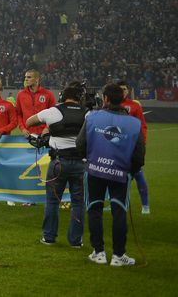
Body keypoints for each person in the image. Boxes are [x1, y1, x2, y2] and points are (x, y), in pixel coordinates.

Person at [77, 84, 145, 266]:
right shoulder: (134, 123)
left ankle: (98, 253)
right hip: (120, 173)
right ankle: (118, 256)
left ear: (105, 98)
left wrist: (89, 159)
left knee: (94, 208)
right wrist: (131, 170)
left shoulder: (92, 117)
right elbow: (139, 154)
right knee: (119, 211)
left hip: (95, 171)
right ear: (122, 99)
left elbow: (80, 143)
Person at [26, 82, 87, 248]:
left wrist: (50, 127)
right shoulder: (88, 114)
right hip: (81, 163)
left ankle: (49, 237)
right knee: (78, 203)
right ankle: (76, 240)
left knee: (52, 201)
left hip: (58, 162)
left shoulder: (53, 111)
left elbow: (30, 122)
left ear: (62, 96)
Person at [117, 81, 149, 214]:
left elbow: (142, 126)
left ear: (128, 91)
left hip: (133, 146)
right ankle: (120, 203)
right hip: (117, 146)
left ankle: (145, 205)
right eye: (119, 89)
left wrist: (142, 143)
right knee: (117, 176)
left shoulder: (134, 106)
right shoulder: (110, 105)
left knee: (137, 173)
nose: (122, 91)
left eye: (124, 89)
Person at [17, 69, 56, 136]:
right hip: (28, 133)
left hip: (44, 133)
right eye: (25, 77)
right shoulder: (20, 95)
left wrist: (47, 128)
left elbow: (53, 114)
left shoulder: (48, 94)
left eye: (29, 77)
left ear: (37, 79)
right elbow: (18, 114)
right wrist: (22, 129)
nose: (26, 79)